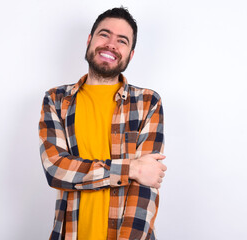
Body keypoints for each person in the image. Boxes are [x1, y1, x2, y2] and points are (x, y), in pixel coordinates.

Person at [39, 7, 167, 240]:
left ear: (130, 54)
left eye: (122, 41)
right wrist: (133, 169)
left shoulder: (148, 102)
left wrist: (138, 172)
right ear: (89, 40)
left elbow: (144, 191)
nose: (111, 44)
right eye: (104, 34)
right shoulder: (57, 99)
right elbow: (56, 169)